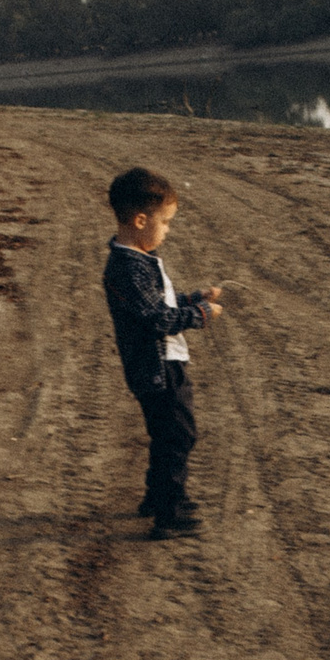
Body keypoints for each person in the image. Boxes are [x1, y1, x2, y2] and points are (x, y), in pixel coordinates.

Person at [101, 168, 223, 541]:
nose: (168, 231)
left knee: (168, 433)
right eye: (165, 222)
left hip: (165, 362)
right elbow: (157, 318)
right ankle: (170, 512)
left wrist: (194, 297)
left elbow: (160, 303)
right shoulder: (126, 267)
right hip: (157, 368)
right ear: (140, 220)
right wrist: (200, 315)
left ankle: (157, 497)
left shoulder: (138, 260)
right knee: (177, 435)